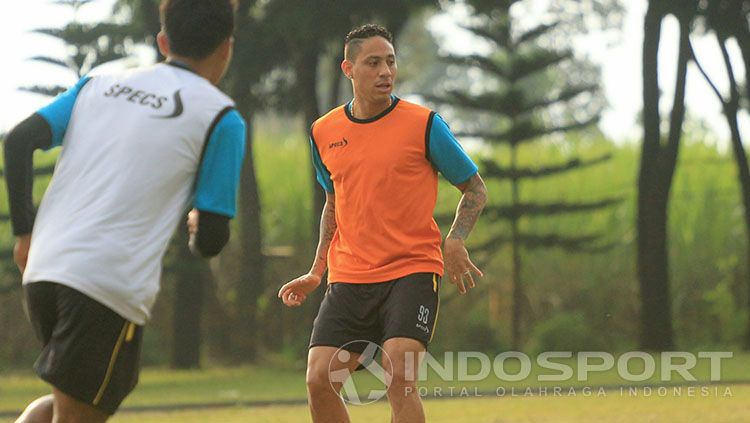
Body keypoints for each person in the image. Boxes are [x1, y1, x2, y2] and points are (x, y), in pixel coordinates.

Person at [4, 1, 245, 421]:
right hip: (104, 287)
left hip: (43, 272)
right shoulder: (221, 118)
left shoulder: (97, 84)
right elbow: (211, 240)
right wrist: (196, 226)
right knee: (79, 411)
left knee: (70, 405)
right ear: (226, 48)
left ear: (164, 40)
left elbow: (19, 141)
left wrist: (24, 234)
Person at [278, 23, 488, 423]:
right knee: (318, 380)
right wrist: (315, 270)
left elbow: (475, 190)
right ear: (348, 69)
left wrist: (456, 239)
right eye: (373, 63)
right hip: (349, 277)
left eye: (390, 62)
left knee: (399, 376)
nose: (385, 72)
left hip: (412, 269)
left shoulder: (425, 125)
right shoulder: (323, 132)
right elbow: (334, 203)